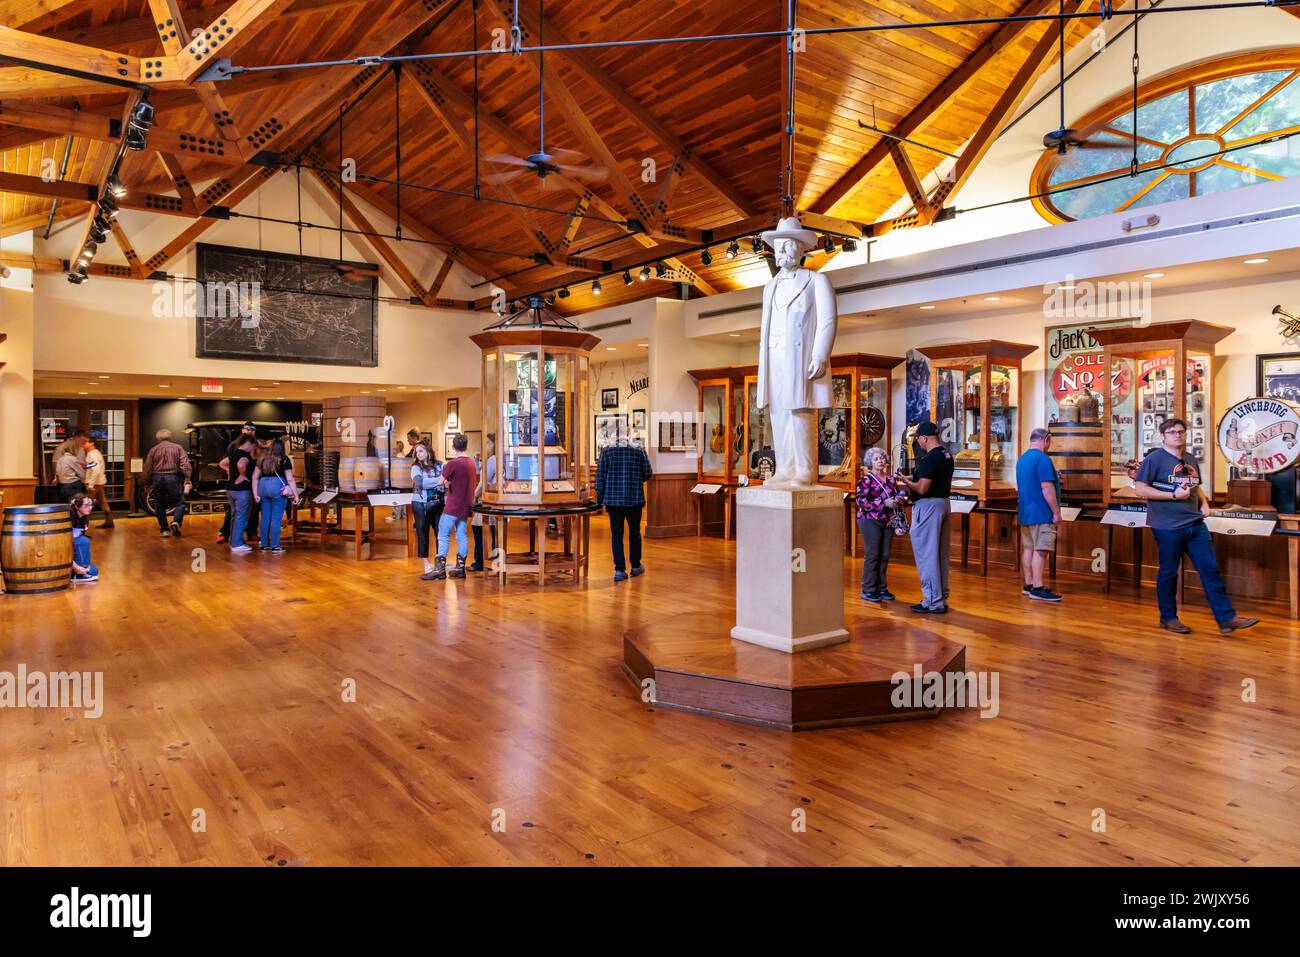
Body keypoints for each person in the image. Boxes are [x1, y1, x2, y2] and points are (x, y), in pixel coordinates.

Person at [1134, 418, 1259, 635]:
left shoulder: (1190, 458)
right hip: (1167, 526)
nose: (1177, 435)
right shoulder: (1153, 459)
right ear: (1163, 436)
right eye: (1172, 432)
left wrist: (1204, 502)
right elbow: (1141, 490)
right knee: (1169, 573)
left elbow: (1195, 486)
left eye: (1181, 431)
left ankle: (1227, 620)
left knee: (1210, 570)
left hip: (1195, 524)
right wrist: (1172, 495)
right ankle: (1168, 618)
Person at [896, 420, 954, 615]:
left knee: (927, 555)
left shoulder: (929, 458)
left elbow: (922, 487)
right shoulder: (946, 455)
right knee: (940, 554)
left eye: (918, 439)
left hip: (928, 507)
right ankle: (941, 597)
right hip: (944, 504)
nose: (918, 443)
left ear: (924, 438)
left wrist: (906, 483)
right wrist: (909, 479)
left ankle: (932, 600)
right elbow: (928, 478)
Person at [596, 436, 654, 582]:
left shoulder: (606, 451)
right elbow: (648, 472)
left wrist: (599, 499)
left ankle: (619, 570)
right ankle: (635, 566)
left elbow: (600, 477)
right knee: (635, 532)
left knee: (616, 535)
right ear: (628, 436)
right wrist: (635, 479)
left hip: (613, 500)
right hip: (634, 499)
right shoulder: (638, 450)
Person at [1016, 427, 1063, 602]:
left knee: (1028, 548)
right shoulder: (1043, 459)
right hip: (1042, 512)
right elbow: (1047, 488)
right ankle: (1038, 587)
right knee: (1041, 550)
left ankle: (1028, 585)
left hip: (1025, 512)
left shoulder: (1022, 459)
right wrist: (1056, 512)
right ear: (1047, 439)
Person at [855, 447, 906, 603]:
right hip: (869, 519)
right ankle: (868, 589)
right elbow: (861, 501)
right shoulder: (866, 480)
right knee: (873, 554)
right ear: (870, 462)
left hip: (888, 520)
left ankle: (882, 588)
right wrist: (883, 503)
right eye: (876, 459)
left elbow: (896, 496)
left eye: (882, 458)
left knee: (884, 555)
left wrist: (900, 498)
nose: (880, 461)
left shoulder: (890, 479)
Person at [430, 433, 477, 580]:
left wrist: (423, 482)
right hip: (466, 506)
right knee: (461, 535)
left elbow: (440, 481)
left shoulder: (452, 463)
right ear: (466, 446)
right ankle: (460, 568)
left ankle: (439, 570)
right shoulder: (471, 463)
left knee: (443, 535)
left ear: (453, 447)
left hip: (453, 505)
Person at [142, 428, 192, 537]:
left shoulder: (153, 450)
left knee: (159, 504)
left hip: (157, 478)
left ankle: (164, 530)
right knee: (179, 502)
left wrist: (145, 482)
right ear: (170, 437)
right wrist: (187, 477)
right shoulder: (178, 448)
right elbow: (185, 465)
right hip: (173, 477)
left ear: (157, 438)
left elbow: (147, 468)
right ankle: (176, 522)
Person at [252, 438, 299, 553]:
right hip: (277, 487)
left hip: (262, 487)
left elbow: (254, 476)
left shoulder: (262, 458)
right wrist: (296, 495)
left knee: (265, 517)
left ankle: (264, 544)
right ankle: (275, 545)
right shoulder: (284, 459)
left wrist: (255, 493)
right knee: (276, 519)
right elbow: (290, 479)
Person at [218, 422, 257, 544]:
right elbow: (233, 462)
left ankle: (250, 533)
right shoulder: (234, 445)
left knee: (250, 510)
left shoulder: (256, 444)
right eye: (247, 428)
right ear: (242, 430)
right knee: (236, 513)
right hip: (240, 485)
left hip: (245, 484)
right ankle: (228, 535)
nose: (250, 430)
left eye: (252, 429)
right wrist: (240, 474)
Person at [411, 442, 445, 579]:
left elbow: (447, 481)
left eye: (421, 451)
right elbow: (419, 484)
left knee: (440, 533)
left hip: (438, 503)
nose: (418, 454)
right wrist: (440, 480)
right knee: (423, 534)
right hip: (420, 504)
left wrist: (441, 481)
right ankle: (426, 564)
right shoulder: (415, 467)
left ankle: (439, 564)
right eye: (416, 452)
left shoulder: (440, 464)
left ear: (428, 451)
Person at [226, 433, 257, 554]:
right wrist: (242, 475)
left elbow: (222, 463)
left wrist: (231, 473)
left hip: (231, 489)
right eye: (253, 447)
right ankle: (237, 544)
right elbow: (241, 464)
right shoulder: (245, 455)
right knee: (241, 516)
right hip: (242, 490)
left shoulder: (233, 454)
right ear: (248, 443)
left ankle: (233, 540)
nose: (253, 450)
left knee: (234, 515)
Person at [470, 433, 497, 572]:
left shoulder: (493, 459)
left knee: (477, 528)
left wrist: (473, 496)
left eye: (487, 443)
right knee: (496, 533)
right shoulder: (498, 459)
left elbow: (483, 482)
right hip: (497, 501)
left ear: (493, 444)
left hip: (489, 501)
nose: (485, 446)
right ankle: (495, 560)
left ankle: (479, 562)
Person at [82, 435, 114, 528]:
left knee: (87, 502)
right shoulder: (95, 453)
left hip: (95, 483)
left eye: (86, 442)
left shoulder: (93, 454)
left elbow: (95, 469)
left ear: (92, 443)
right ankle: (109, 522)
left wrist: (91, 485)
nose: (84, 444)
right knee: (102, 501)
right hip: (99, 481)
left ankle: (81, 525)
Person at [69, 492, 99, 584]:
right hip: (69, 555)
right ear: (77, 506)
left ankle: (83, 570)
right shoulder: (69, 519)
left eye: (91, 505)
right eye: (86, 505)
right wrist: (76, 567)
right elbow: (65, 547)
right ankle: (77, 573)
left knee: (94, 570)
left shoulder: (84, 519)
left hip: (74, 551)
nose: (90, 508)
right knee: (83, 540)